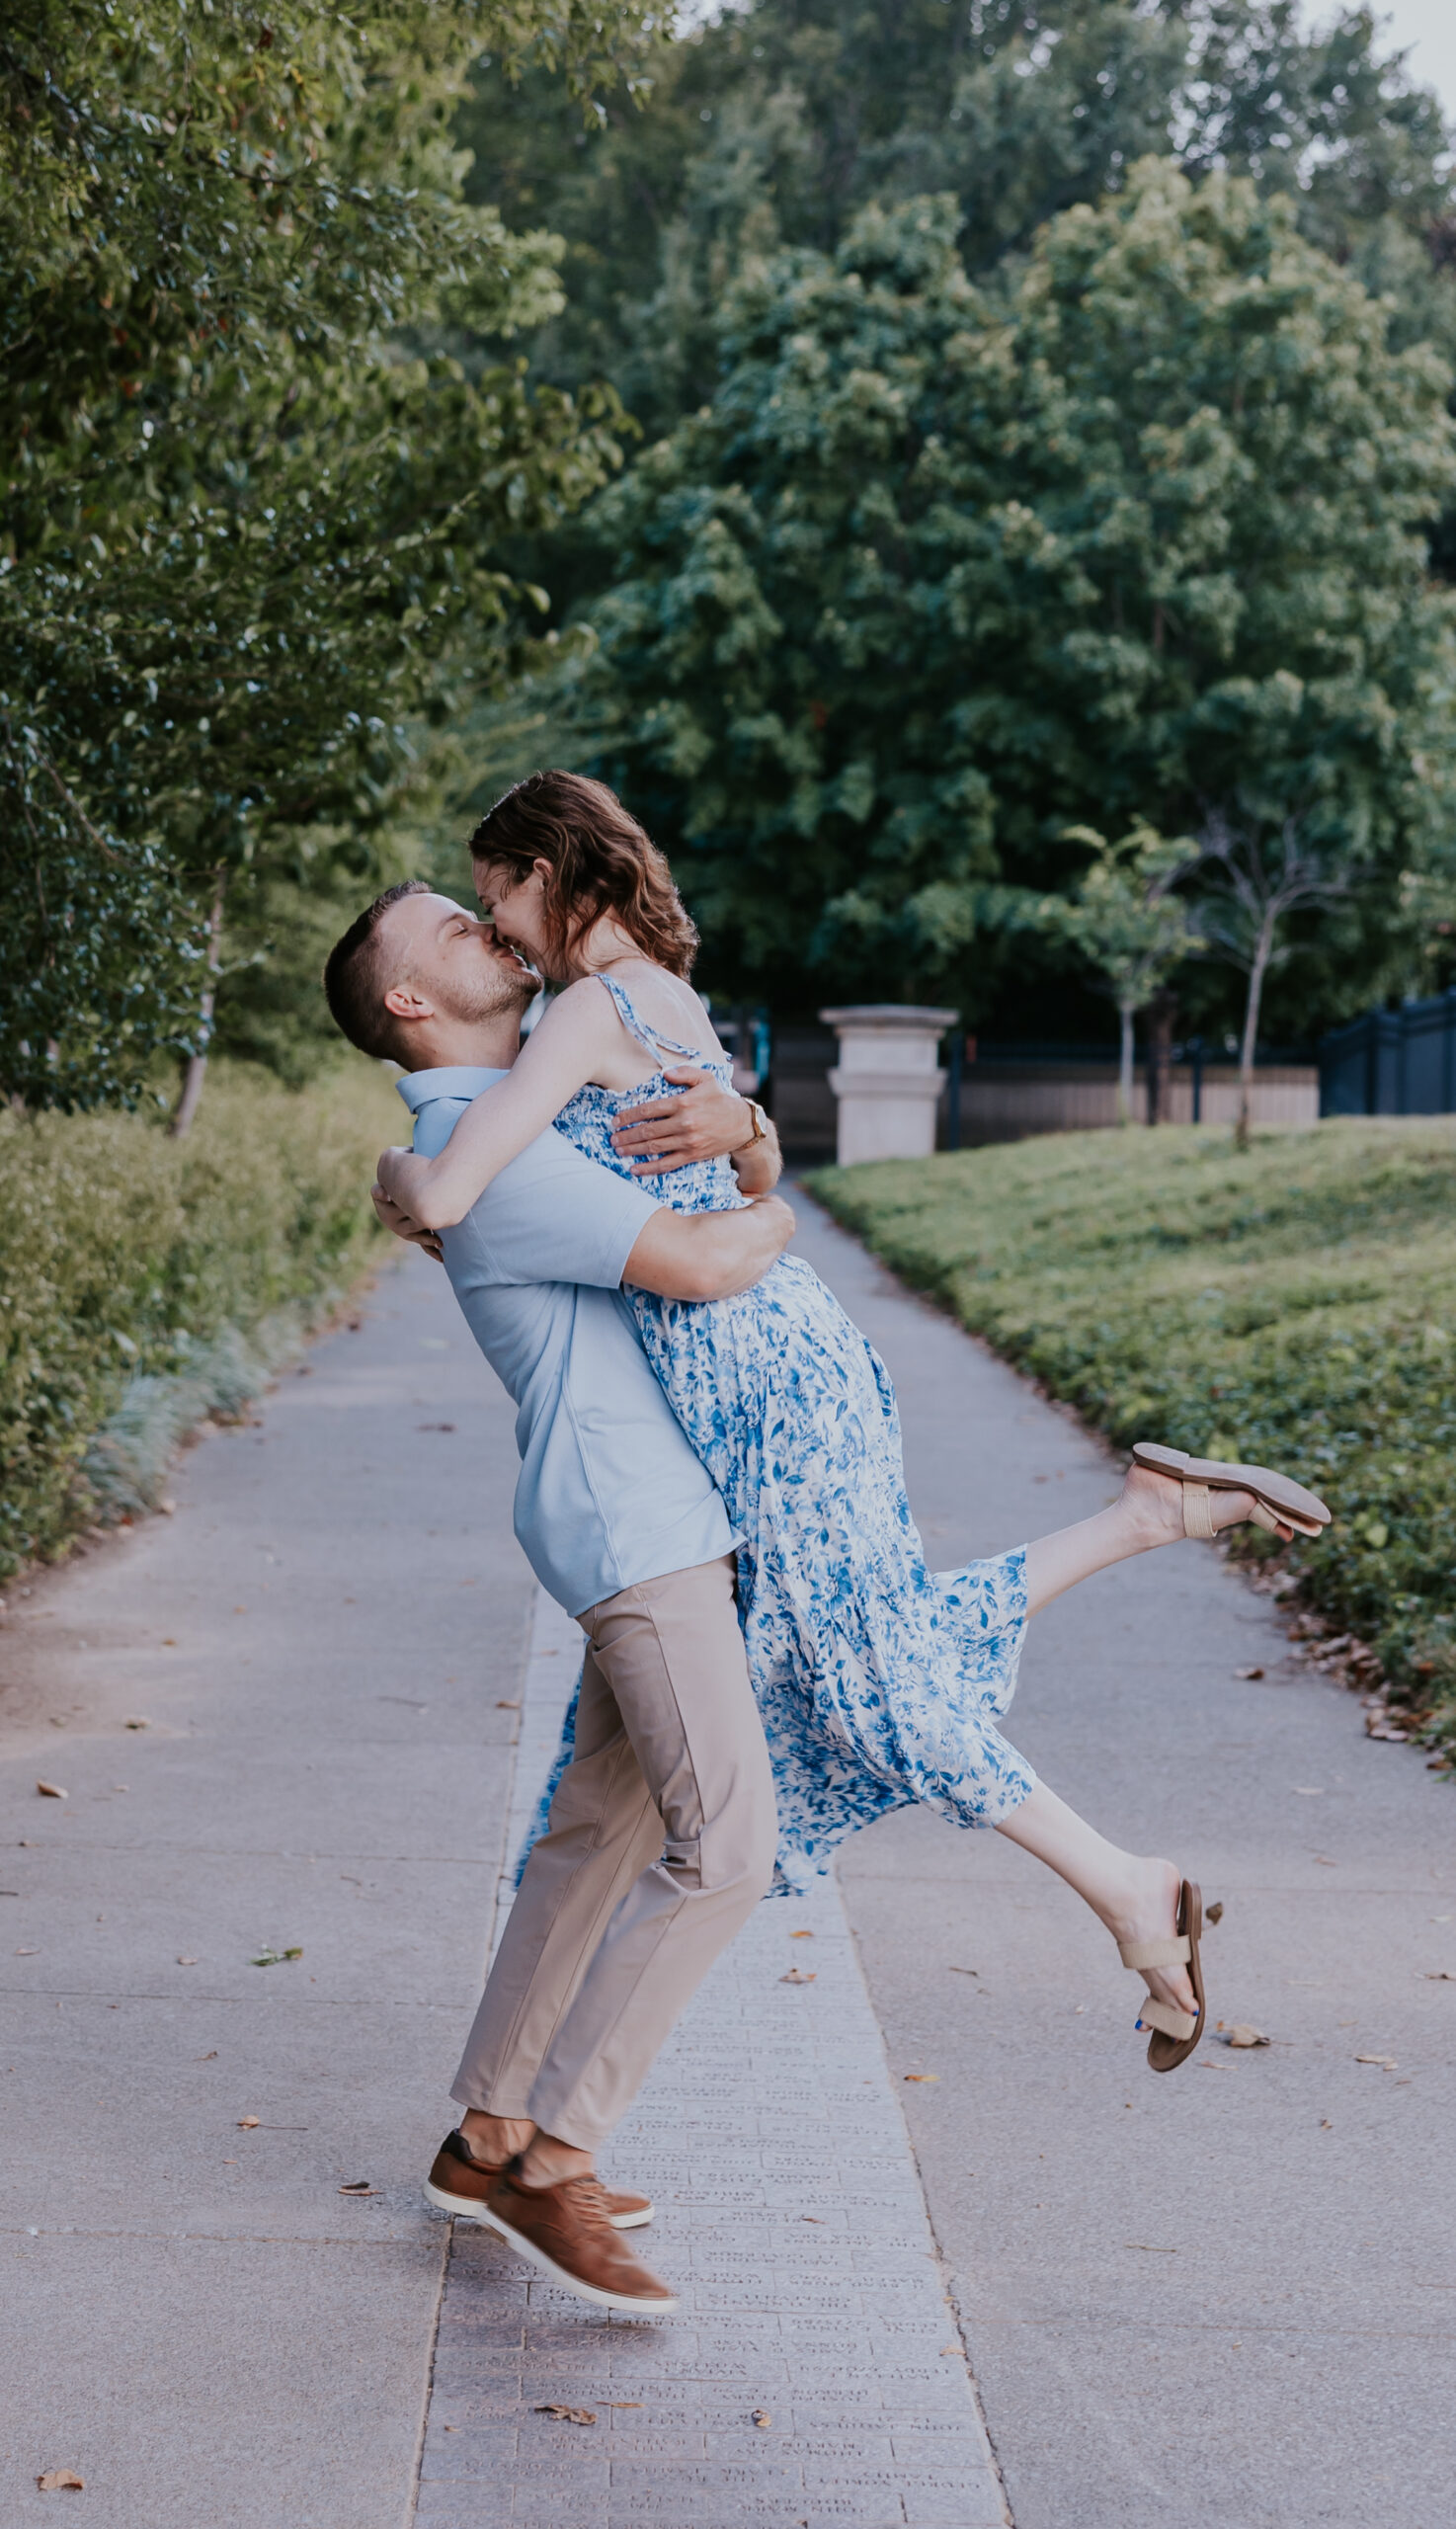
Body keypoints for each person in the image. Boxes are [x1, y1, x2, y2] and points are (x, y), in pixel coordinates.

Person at [375, 771, 1332, 2080]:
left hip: (754, 1378)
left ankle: (1126, 1891)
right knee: (854, 1659)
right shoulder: (652, 989)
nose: (498, 934)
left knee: (865, 1687)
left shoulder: (582, 1010)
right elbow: (706, 1159)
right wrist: (749, 1135)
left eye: (494, 901)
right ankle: (1144, 1520)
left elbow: (455, 1189)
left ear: (545, 876)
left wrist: (398, 1167)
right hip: (783, 1360)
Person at [322, 880, 795, 2319]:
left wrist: (751, 1133)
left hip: (634, 1512)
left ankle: (483, 2137)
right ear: (409, 1002)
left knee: (599, 1831)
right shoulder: (489, 1149)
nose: (486, 927)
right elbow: (711, 1257)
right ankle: (558, 2154)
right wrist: (791, 1206)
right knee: (728, 1850)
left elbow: (701, 1147)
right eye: (449, 930)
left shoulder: (516, 1118)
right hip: (635, 1526)